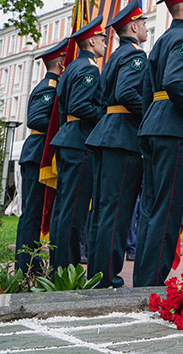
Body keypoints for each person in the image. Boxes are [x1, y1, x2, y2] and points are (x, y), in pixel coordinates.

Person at [134, 0, 183, 287]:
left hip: (153, 124)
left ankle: (143, 276)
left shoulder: (161, 40)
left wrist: (151, 117)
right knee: (168, 207)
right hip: (173, 128)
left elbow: (148, 87)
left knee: (151, 206)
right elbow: (175, 82)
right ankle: (153, 280)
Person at [85, 0, 148, 288]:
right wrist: (149, 115)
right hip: (123, 138)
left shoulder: (112, 57)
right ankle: (108, 274)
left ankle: (97, 272)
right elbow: (126, 93)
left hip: (106, 133)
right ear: (133, 27)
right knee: (118, 210)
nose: (146, 27)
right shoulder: (135, 56)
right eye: (144, 23)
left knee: (103, 208)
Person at [49, 17, 106, 271]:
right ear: (92, 41)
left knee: (63, 208)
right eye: (103, 39)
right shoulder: (89, 69)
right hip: (80, 142)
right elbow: (80, 106)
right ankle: (67, 268)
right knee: (75, 210)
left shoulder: (71, 67)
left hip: (68, 137)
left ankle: (58, 264)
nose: (105, 43)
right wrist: (105, 114)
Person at [14, 39, 68, 274]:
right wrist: (60, 125)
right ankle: (25, 264)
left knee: (34, 213)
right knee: (32, 213)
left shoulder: (50, 85)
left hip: (37, 153)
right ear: (60, 61)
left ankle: (30, 262)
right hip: (36, 154)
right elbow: (36, 119)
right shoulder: (48, 87)